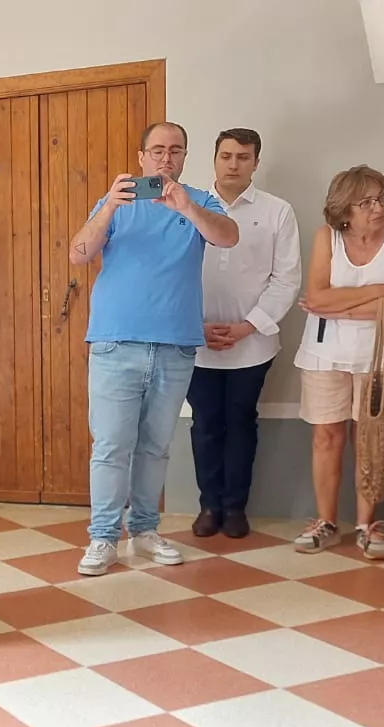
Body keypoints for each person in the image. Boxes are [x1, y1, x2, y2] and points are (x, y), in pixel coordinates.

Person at [67, 122, 240, 577]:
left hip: (175, 346)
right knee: (111, 446)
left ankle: (143, 531)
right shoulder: (117, 202)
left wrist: (186, 207)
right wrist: (109, 205)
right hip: (115, 344)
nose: (166, 158)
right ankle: (103, 537)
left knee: (156, 447)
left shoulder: (199, 201)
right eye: (158, 150)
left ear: (184, 158)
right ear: (141, 157)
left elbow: (228, 236)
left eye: (176, 150)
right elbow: (79, 253)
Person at [292, 166, 384, 560]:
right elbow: (316, 297)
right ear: (343, 209)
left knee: (373, 439)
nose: (378, 208)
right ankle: (326, 522)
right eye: (366, 202)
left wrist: (343, 308)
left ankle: (367, 525)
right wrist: (378, 292)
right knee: (326, 436)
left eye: (382, 198)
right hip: (325, 351)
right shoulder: (326, 236)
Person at [189, 128, 302, 539]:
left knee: (240, 423)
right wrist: (193, 326)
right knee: (205, 424)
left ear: (256, 162)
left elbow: (286, 279)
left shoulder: (277, 211)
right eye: (226, 156)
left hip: (252, 344)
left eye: (243, 157)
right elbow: (169, 273)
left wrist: (246, 326)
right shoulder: (189, 206)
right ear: (214, 159)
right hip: (195, 342)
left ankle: (235, 507)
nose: (233, 164)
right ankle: (208, 506)